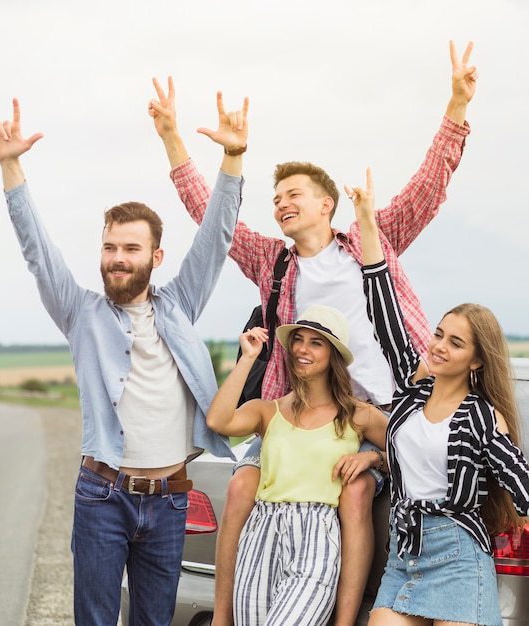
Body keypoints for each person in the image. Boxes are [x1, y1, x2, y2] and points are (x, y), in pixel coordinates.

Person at [148, 41, 478, 626]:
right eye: (275, 200)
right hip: (306, 411)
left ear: (327, 204)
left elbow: (427, 190)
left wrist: (456, 106)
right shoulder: (274, 263)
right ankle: (224, 615)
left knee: (354, 492)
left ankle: (346, 615)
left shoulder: (372, 242)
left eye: (293, 195)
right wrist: (174, 139)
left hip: (384, 412)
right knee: (241, 487)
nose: (281, 206)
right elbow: (212, 218)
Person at [0, 92, 248, 626]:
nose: (118, 259)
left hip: (171, 499)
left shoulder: (180, 304)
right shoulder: (80, 312)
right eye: (110, 248)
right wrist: (11, 165)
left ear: (155, 256)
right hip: (103, 497)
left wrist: (233, 160)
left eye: (130, 249)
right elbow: (38, 251)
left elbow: (216, 239)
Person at [349, 168, 529, 626]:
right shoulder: (411, 395)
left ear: (476, 361)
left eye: (455, 342)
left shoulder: (483, 418)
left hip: (458, 553)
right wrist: (367, 222)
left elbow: (521, 484)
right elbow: (383, 308)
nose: (439, 345)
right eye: (439, 333)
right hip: (405, 550)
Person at [206, 305, 388, 625]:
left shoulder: (359, 415)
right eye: (299, 340)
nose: (303, 349)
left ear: (333, 355)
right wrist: (248, 357)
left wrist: (373, 457)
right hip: (261, 533)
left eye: (316, 343)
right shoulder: (267, 411)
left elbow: (410, 456)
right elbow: (218, 420)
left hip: (316, 536)